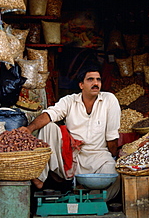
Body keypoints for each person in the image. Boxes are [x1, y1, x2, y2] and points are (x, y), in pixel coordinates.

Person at [22, 64, 121, 201]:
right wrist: (29, 128)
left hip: (99, 157)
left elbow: (112, 137)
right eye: (90, 79)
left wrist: (114, 158)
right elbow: (50, 114)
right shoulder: (70, 101)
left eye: (98, 80)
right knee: (48, 127)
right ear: (81, 85)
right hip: (72, 155)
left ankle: (90, 200)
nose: (95, 83)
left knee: (114, 176)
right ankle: (40, 177)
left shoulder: (109, 100)